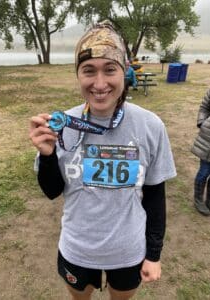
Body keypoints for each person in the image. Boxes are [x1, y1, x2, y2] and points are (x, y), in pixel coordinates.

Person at [29, 20, 176, 300]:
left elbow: (155, 195)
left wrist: (153, 254)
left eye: (110, 69)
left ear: (124, 72)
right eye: (88, 70)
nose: (99, 83)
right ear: (78, 75)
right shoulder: (62, 125)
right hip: (77, 249)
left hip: (128, 250)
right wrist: (47, 156)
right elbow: (52, 192)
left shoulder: (150, 126)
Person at [191, 89, 210, 216]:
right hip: (208, 139)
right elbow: (204, 107)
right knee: (204, 172)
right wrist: (202, 122)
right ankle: (198, 199)